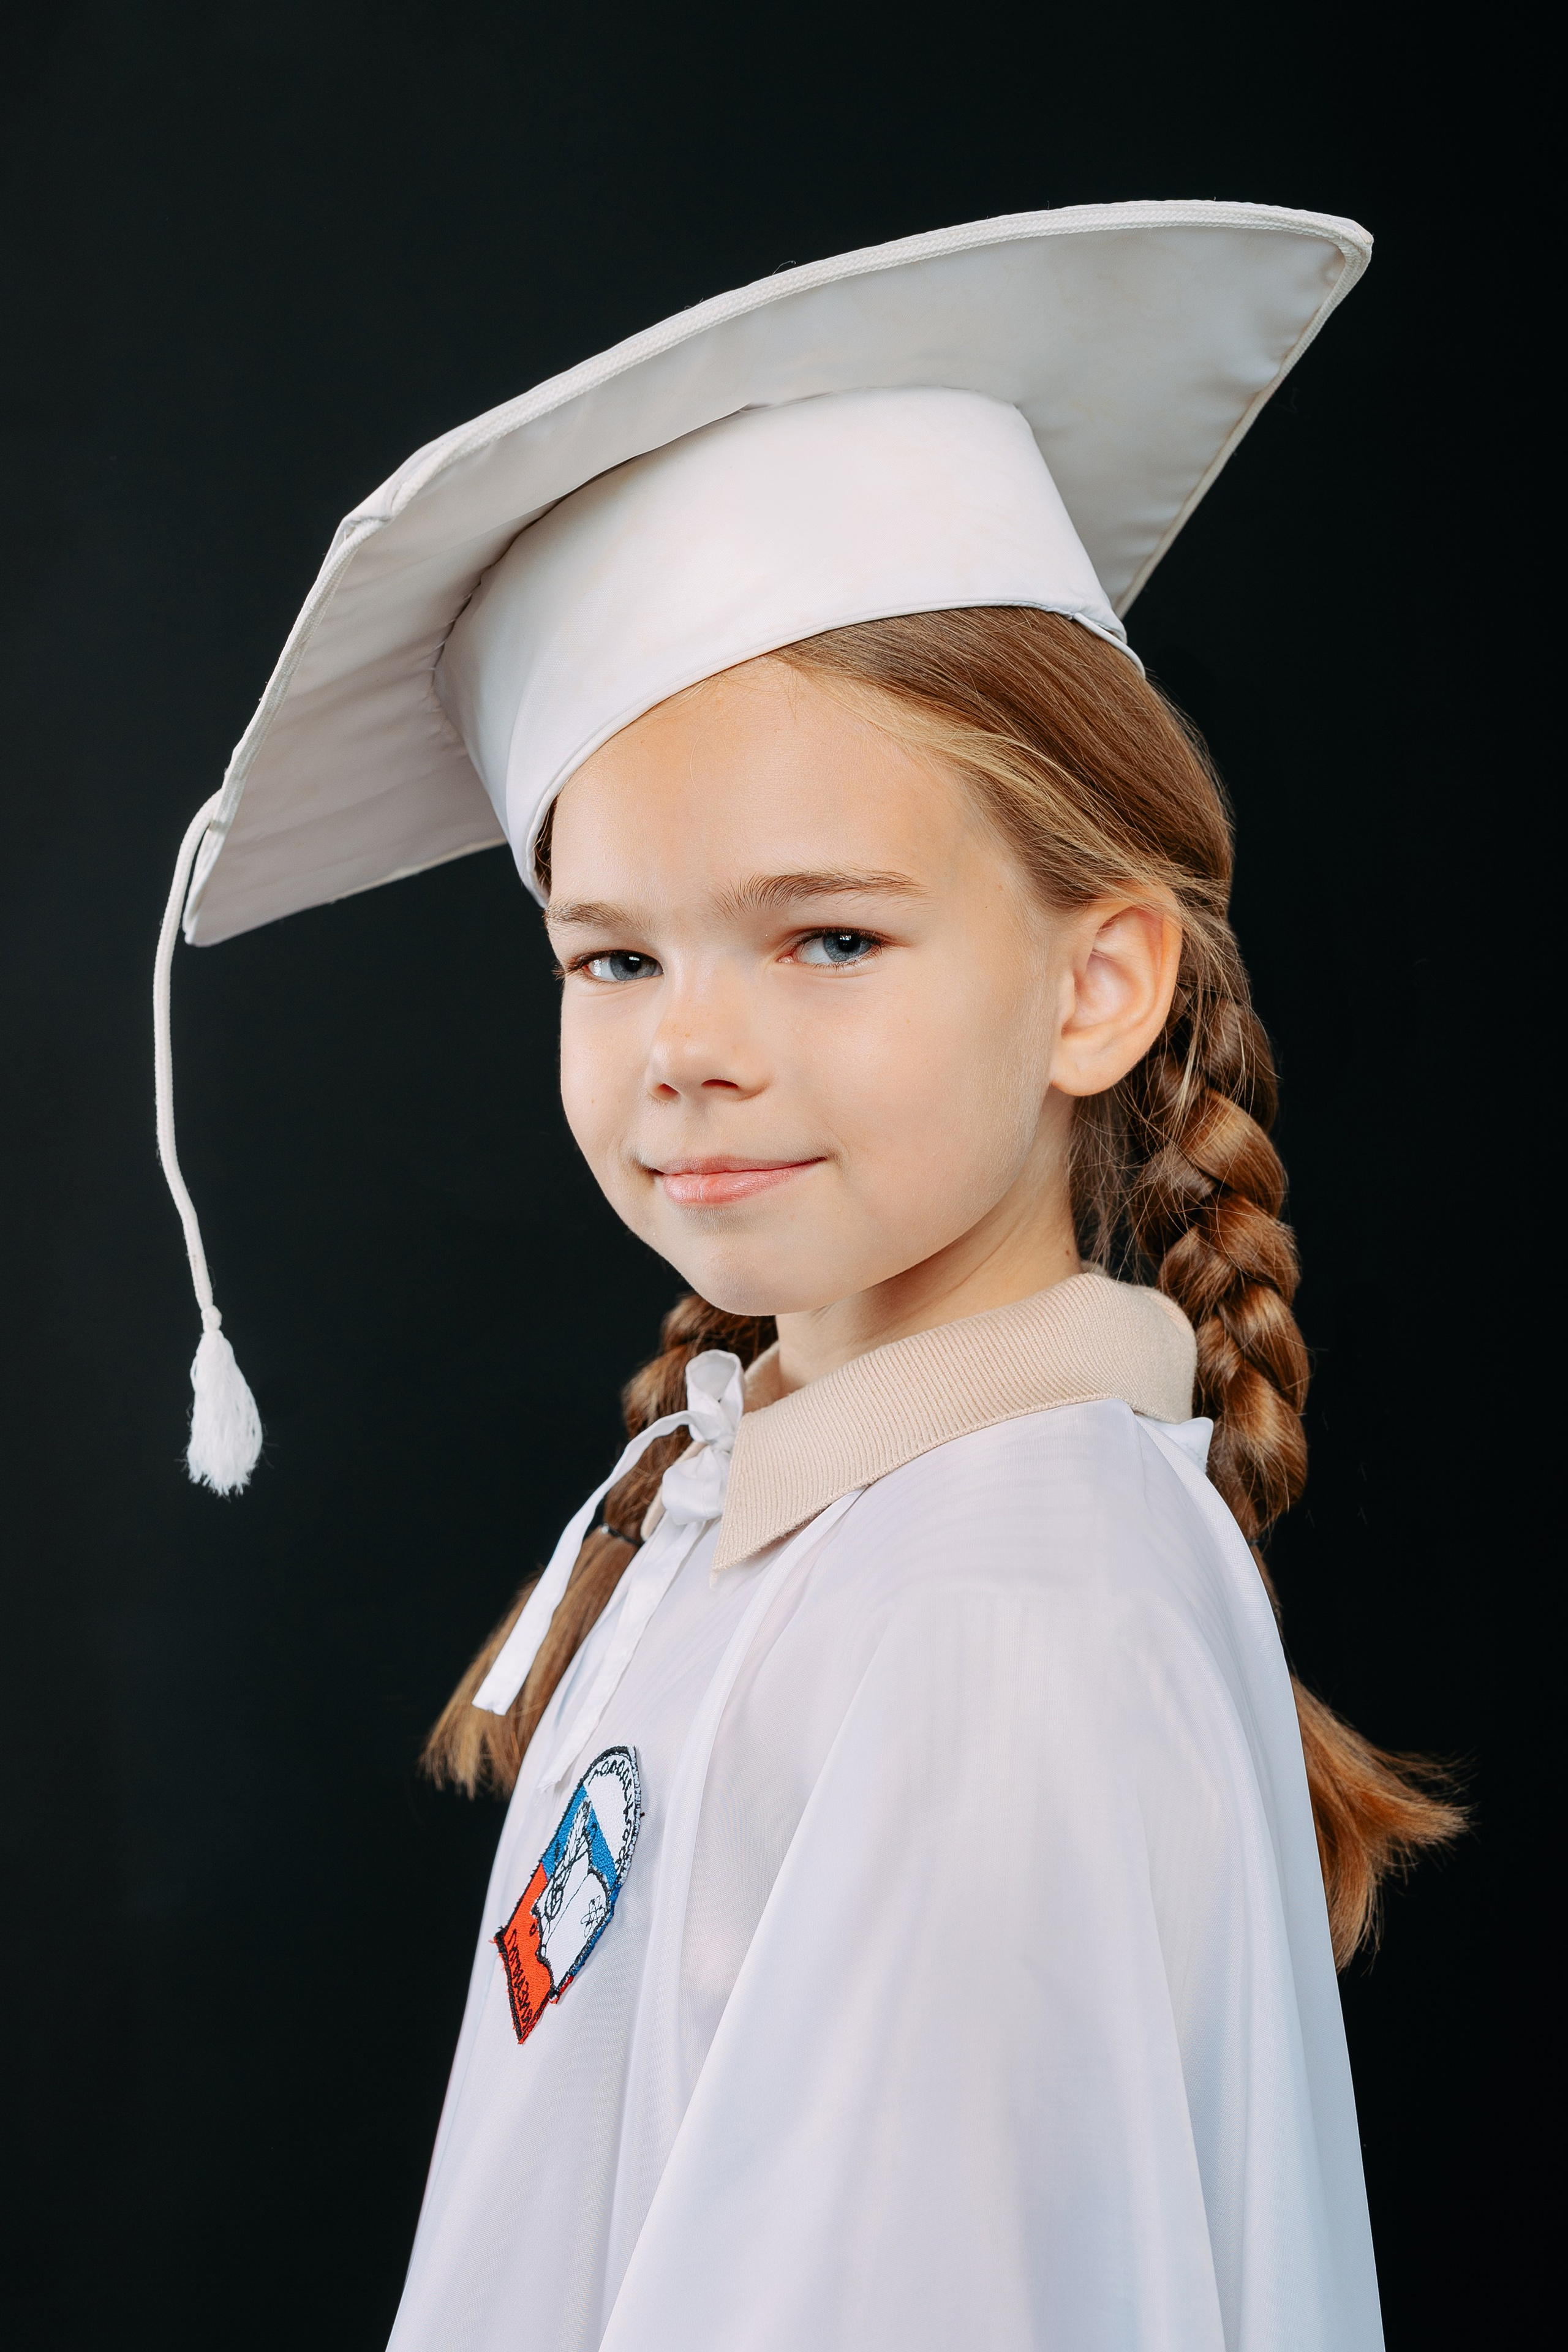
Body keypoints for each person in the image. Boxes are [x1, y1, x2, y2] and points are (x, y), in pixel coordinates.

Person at [153, 204, 1459, 2349]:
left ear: (1096, 981)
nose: (690, 1047)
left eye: (828, 935)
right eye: (615, 955)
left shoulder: (984, 1620)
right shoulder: (768, 1504)